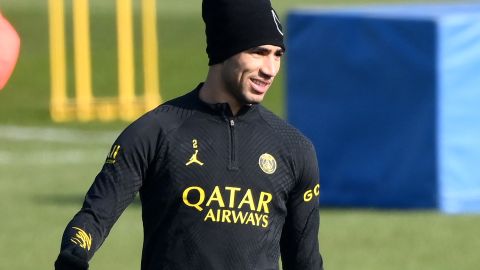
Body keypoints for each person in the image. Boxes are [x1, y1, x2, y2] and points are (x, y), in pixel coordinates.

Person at [54, 0, 324, 269]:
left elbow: (306, 261)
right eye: (258, 52)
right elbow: (95, 216)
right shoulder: (154, 132)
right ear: (224, 48)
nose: (270, 69)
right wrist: (74, 253)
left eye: (278, 55)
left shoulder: (294, 148)